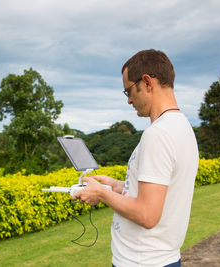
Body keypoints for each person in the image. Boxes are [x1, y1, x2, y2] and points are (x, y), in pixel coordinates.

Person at [72, 49, 199, 267]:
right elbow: (158, 192)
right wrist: (116, 186)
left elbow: (147, 215)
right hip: (162, 258)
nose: (129, 100)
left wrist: (101, 194)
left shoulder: (157, 134)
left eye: (129, 91)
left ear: (148, 82)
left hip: (142, 261)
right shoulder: (182, 127)